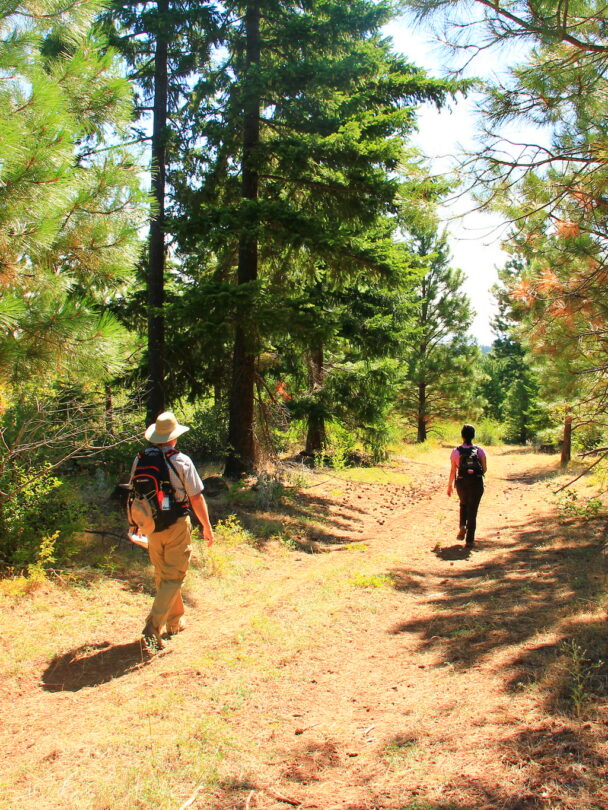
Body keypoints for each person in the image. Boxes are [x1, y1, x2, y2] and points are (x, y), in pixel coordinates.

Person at [129, 411, 214, 648]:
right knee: (174, 575)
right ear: (173, 437)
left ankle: (175, 621)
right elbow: (196, 498)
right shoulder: (181, 461)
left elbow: (134, 494)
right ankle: (152, 627)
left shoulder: (140, 459)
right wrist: (206, 527)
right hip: (176, 524)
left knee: (163, 574)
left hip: (151, 525)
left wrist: (135, 525)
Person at [447, 423, 487, 547]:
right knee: (473, 510)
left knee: (463, 504)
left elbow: (453, 470)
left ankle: (462, 525)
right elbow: (484, 469)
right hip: (476, 482)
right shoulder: (479, 450)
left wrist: (449, 485)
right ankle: (469, 540)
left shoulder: (456, 451)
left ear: (462, 436)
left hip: (461, 482)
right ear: (473, 436)